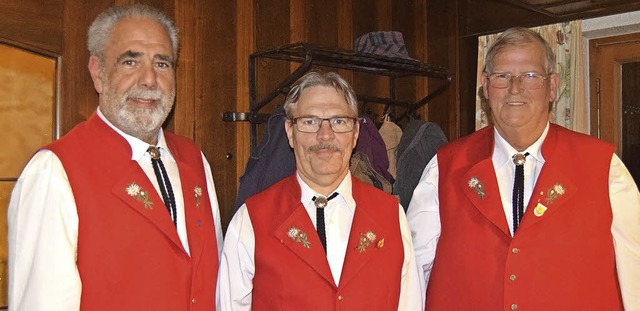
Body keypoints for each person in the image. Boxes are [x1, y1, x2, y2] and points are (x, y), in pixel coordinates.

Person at [407, 27, 640, 310]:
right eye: (503, 76)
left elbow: (635, 272)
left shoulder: (603, 167)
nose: (515, 88)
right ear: (485, 85)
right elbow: (412, 274)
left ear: (553, 86)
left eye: (530, 76)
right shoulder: (444, 168)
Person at [7, 4, 223, 310]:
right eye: (130, 61)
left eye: (163, 64)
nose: (149, 79)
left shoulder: (195, 160)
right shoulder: (55, 172)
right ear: (97, 72)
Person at [218, 71, 422, 310]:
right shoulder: (250, 220)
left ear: (355, 132)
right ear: (290, 132)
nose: (325, 135)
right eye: (309, 121)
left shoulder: (391, 216)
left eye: (339, 121)